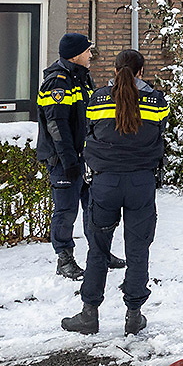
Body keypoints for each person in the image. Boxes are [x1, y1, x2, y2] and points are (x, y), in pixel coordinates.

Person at [62, 49, 167, 336]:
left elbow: (90, 133)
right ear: (141, 72)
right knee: (138, 249)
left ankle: (89, 314)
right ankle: (134, 315)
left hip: (105, 183)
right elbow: (160, 135)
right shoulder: (156, 102)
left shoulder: (96, 99)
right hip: (141, 183)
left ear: (115, 69)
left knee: (98, 250)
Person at [37, 32, 123, 279]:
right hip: (64, 160)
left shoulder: (82, 78)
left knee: (94, 208)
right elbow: (56, 126)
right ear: (76, 54)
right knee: (65, 212)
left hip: (86, 156)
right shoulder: (57, 82)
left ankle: (100, 253)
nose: (90, 55)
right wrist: (69, 161)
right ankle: (64, 259)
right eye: (87, 51)